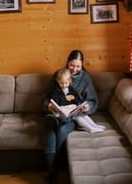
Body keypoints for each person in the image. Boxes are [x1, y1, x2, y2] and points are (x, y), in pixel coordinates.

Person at [41, 50, 98, 183]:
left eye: (78, 66)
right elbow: (45, 97)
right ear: (67, 62)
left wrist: (87, 106)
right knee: (48, 126)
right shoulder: (59, 75)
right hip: (54, 113)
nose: (74, 69)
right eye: (72, 65)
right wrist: (48, 106)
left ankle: (51, 172)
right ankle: (52, 172)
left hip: (72, 116)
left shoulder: (86, 78)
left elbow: (92, 100)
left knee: (61, 131)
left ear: (82, 65)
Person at [50, 67, 105, 133]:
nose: (64, 85)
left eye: (66, 83)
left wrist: (75, 99)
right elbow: (55, 100)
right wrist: (65, 98)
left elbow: (78, 99)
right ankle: (90, 128)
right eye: (61, 83)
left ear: (69, 81)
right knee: (77, 117)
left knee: (83, 115)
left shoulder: (71, 89)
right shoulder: (55, 90)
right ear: (58, 81)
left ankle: (94, 125)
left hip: (71, 109)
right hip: (63, 112)